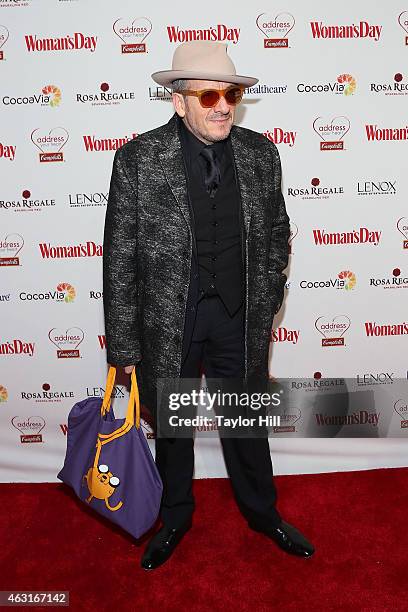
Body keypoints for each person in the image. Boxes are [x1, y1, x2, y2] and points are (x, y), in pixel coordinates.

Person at [103, 40, 314, 570]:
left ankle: (263, 514)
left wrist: (268, 299)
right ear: (179, 101)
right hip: (170, 323)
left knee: (245, 423)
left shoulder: (261, 154)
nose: (224, 105)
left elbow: (276, 232)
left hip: (238, 319)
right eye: (210, 95)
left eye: (233, 93)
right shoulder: (138, 161)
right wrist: (124, 344)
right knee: (172, 428)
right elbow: (120, 257)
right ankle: (175, 517)